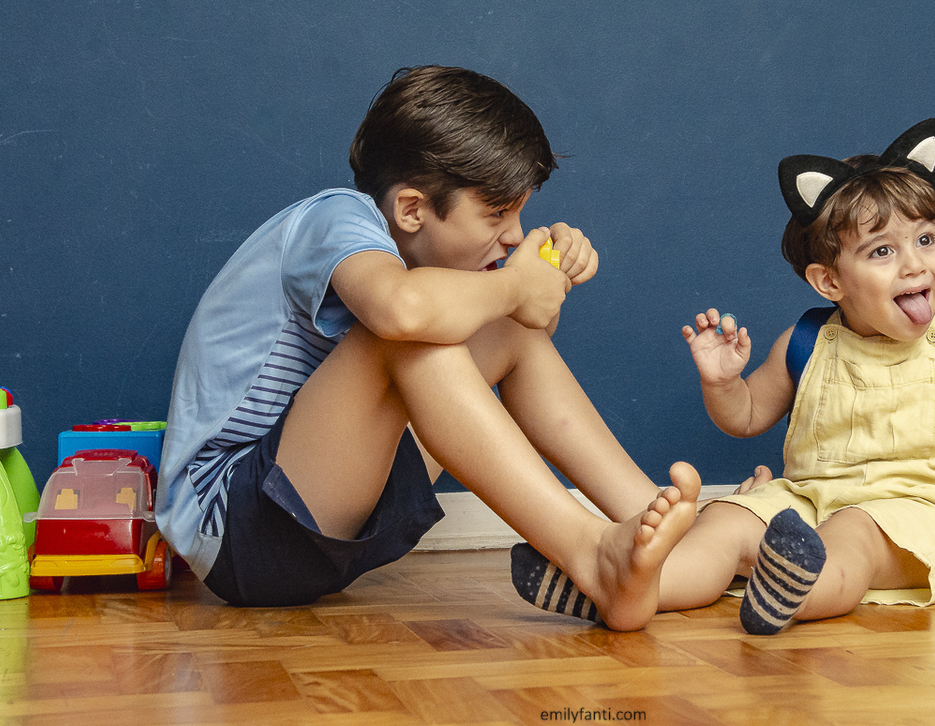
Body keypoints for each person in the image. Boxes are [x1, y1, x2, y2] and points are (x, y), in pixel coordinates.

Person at [511, 117, 935, 634]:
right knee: (723, 520)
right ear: (828, 279)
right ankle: (622, 584)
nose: (914, 265)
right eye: (883, 251)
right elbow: (746, 417)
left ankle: (790, 597)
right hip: (806, 507)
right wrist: (723, 382)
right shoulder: (808, 342)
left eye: (926, 239)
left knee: (855, 538)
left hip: (915, 522)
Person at [156, 65, 703, 630]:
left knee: (511, 332)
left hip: (332, 512)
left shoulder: (417, 268)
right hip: (237, 527)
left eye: (520, 213)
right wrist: (516, 285)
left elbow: (502, 345)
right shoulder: (334, 218)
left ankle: (670, 531)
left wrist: (541, 289)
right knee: (410, 333)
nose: (515, 234)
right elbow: (402, 311)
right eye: (496, 214)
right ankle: (588, 554)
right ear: (412, 209)